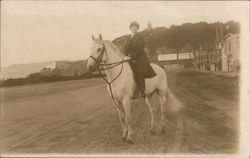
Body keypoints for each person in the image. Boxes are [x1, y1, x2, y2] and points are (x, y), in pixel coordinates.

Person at [124, 21, 156, 98]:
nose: (134, 28)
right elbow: (126, 48)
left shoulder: (140, 37)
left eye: (136, 27)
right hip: (131, 58)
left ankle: (143, 90)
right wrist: (125, 56)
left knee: (139, 71)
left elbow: (139, 49)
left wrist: (131, 57)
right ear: (130, 28)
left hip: (140, 58)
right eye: (132, 27)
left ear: (138, 28)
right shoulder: (128, 38)